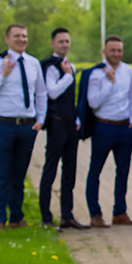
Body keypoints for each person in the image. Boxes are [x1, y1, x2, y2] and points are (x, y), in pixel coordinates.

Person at [0, 23, 47, 230]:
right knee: (1, 173)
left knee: (19, 173)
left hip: (27, 127)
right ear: (7, 39)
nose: (22, 40)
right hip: (4, 125)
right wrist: (3, 75)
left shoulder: (34, 63)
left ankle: (17, 217)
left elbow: (41, 93)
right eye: (17, 36)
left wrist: (40, 118)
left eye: (24, 36)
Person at [84, 34, 132, 227]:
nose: (116, 54)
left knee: (123, 171)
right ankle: (95, 213)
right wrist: (109, 82)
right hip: (104, 126)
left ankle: (120, 212)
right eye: (113, 50)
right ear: (104, 51)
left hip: (124, 127)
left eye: (119, 50)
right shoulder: (97, 73)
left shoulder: (128, 70)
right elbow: (93, 103)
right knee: (95, 170)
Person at [37, 27, 86, 229]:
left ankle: (67, 214)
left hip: (70, 124)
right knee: (50, 168)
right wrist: (67, 76)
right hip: (56, 123)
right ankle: (46, 217)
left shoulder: (70, 66)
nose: (65, 45)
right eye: (61, 41)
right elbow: (53, 93)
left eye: (67, 41)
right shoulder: (50, 67)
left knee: (70, 170)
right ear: (53, 44)